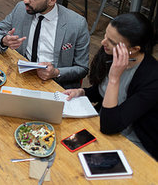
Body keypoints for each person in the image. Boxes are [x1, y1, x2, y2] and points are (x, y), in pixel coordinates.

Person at [63, 13, 158, 160]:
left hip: (132, 143)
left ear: (134, 49)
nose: (102, 42)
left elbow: (109, 126)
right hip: (100, 124)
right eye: (106, 35)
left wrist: (115, 78)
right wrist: (82, 92)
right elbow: (101, 90)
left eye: (111, 41)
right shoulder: (112, 53)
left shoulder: (152, 79)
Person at [0, 0, 90, 89]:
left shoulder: (76, 24)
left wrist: (56, 72)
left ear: (52, 0)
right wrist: (3, 40)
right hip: (20, 76)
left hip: (54, 83)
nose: (26, 0)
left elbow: (82, 68)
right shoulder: (21, 9)